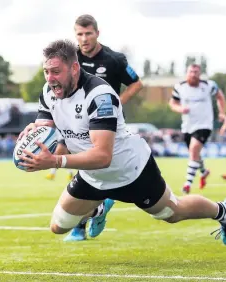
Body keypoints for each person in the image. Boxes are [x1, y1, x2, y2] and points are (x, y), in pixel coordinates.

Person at [17, 39, 226, 247]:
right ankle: (99, 209)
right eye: (47, 72)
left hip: (131, 170)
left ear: (74, 68)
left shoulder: (100, 95)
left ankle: (224, 212)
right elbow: (45, 127)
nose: (50, 78)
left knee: (172, 213)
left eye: (56, 72)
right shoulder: (49, 91)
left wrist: (55, 161)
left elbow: (103, 156)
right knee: (58, 226)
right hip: (93, 175)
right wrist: (33, 134)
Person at [45, 14, 143, 242]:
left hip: (105, 127)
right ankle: (93, 212)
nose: (84, 38)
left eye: (88, 33)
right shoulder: (70, 59)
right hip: (75, 124)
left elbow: (137, 83)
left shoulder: (114, 59)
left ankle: (86, 220)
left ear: (97, 33)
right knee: (78, 168)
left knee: (94, 166)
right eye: (79, 34)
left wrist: (117, 101)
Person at [169, 64, 226, 194]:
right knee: (194, 154)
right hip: (187, 126)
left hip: (204, 125)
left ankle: (187, 184)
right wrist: (180, 109)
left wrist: (222, 112)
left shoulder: (208, 85)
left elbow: (220, 97)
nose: (193, 74)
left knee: (194, 149)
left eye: (196, 72)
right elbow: (172, 103)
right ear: (187, 73)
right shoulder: (180, 87)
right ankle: (204, 171)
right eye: (191, 72)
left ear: (200, 74)